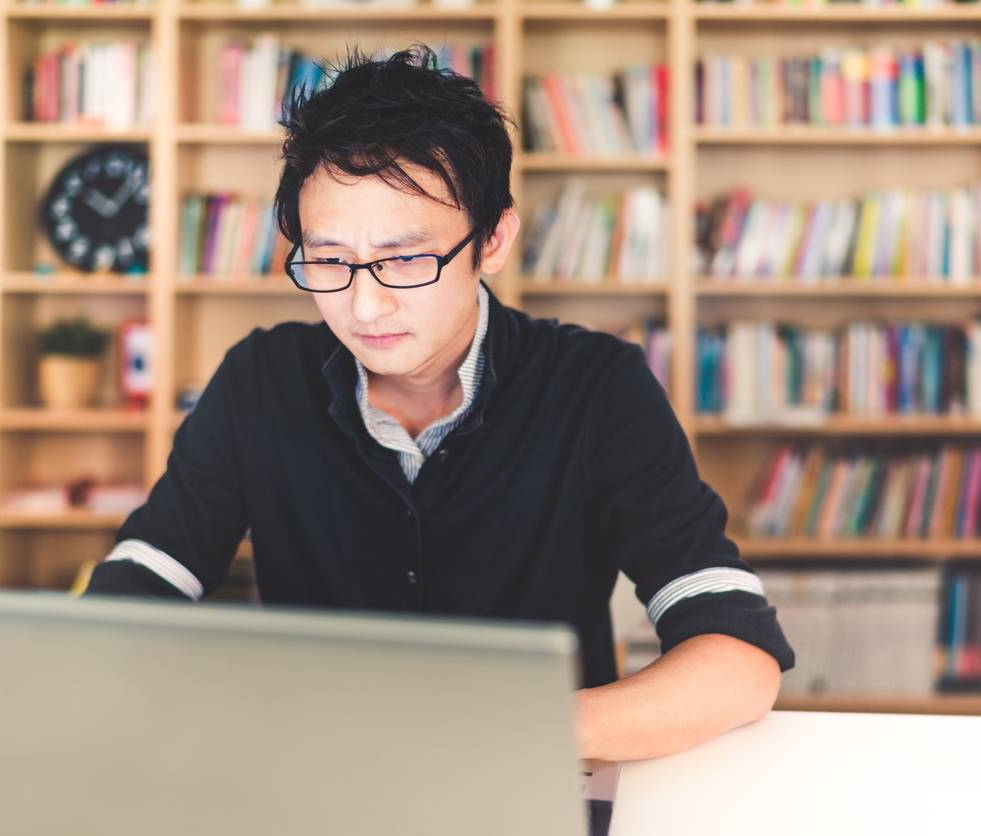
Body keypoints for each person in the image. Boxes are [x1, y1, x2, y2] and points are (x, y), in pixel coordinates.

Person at [85, 46, 794, 761]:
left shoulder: (597, 387)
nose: (365, 304)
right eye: (328, 259)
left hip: (533, 782)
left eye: (403, 258)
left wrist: (496, 732)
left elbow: (737, 660)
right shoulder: (260, 379)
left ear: (492, 241)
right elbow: (139, 590)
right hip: (318, 782)